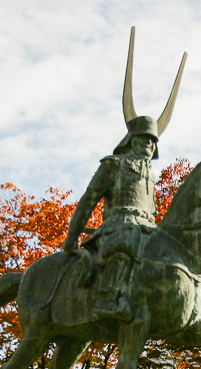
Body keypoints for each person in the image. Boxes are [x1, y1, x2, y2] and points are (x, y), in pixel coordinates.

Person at [62, 115, 161, 322]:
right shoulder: (114, 164)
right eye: (144, 137)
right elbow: (89, 199)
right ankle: (107, 297)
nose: (149, 143)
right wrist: (72, 235)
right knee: (125, 241)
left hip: (148, 228)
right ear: (131, 139)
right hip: (118, 225)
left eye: (153, 140)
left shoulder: (151, 175)